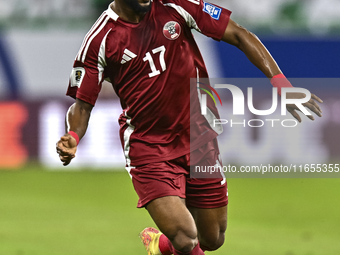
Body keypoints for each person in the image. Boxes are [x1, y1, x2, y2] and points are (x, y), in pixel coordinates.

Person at [56, 0, 323, 254]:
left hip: (199, 137)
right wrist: (73, 135)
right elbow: (82, 106)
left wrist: (282, 85)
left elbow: (239, 34)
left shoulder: (175, 5)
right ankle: (174, 241)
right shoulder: (100, 40)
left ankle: (159, 245)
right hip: (149, 147)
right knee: (185, 237)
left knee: (213, 237)